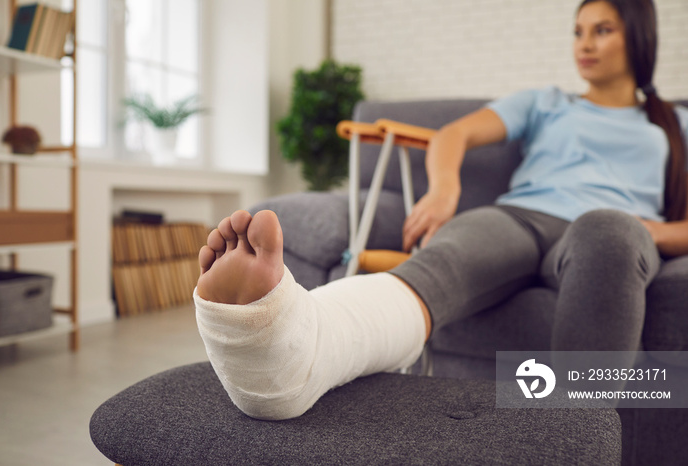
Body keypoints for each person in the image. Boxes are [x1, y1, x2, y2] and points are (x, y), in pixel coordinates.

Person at [194, 0, 688, 421]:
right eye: (578, 31)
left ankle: (574, 441)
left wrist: (656, 233)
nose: (585, 44)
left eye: (603, 31)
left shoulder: (675, 123)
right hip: (520, 217)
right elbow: (456, 134)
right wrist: (445, 189)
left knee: (606, 231)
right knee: (443, 263)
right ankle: (289, 352)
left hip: (610, 229)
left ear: (639, 38)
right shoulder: (548, 102)